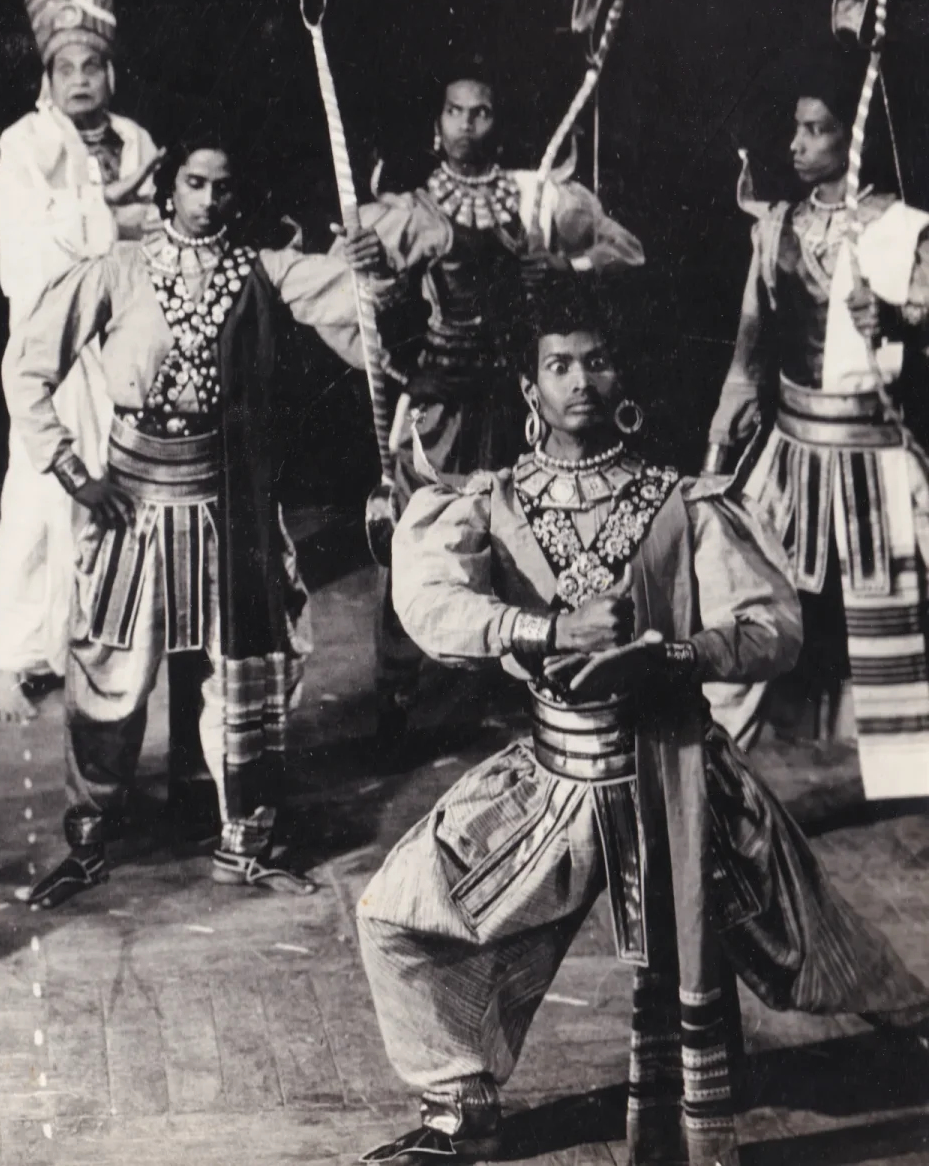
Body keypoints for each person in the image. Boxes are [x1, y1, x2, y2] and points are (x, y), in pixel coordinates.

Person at [358, 282, 929, 1165]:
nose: (580, 380)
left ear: (621, 374)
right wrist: (548, 629)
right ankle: (461, 1105)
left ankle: (854, 1047)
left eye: (597, 361)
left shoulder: (680, 499)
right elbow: (433, 607)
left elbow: (771, 628)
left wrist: (672, 655)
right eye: (559, 365)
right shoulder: (492, 500)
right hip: (554, 776)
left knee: (817, 943)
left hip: (681, 772)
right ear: (529, 387)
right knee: (399, 910)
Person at [5, 129, 393, 907]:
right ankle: (88, 839)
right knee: (110, 676)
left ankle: (245, 838)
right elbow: (27, 365)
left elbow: (356, 309)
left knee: (249, 671)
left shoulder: (262, 269)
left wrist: (370, 267)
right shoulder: (119, 268)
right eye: (194, 182)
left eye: (222, 186)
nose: (209, 199)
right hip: (133, 506)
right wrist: (76, 473)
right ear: (169, 188)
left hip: (228, 506)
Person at [361, 76, 645, 754]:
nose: (467, 123)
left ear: (498, 122)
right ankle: (397, 693)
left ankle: (535, 677)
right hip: (444, 403)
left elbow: (627, 252)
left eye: (481, 111)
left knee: (532, 535)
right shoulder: (413, 211)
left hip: (520, 402)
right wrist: (376, 273)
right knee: (422, 536)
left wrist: (565, 263)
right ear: (437, 125)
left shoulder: (536, 199)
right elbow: (371, 302)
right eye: (454, 111)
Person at [703, 54, 929, 800]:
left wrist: (897, 319)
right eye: (796, 128)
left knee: (897, 604)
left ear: (854, 136)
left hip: (874, 456)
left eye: (818, 129)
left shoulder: (901, 231)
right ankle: (710, 757)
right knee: (749, 594)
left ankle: (909, 777)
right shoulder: (777, 229)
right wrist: (719, 446)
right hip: (792, 453)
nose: (797, 144)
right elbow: (749, 354)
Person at [0, 0, 165, 727]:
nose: (81, 79)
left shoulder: (136, 141)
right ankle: (14, 655)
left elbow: (153, 237)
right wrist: (104, 215)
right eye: (66, 68)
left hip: (118, 342)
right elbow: (18, 239)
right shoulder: (23, 144)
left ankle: (92, 644)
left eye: (93, 66)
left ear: (111, 74)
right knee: (38, 496)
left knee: (114, 489)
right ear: (47, 78)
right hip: (56, 346)